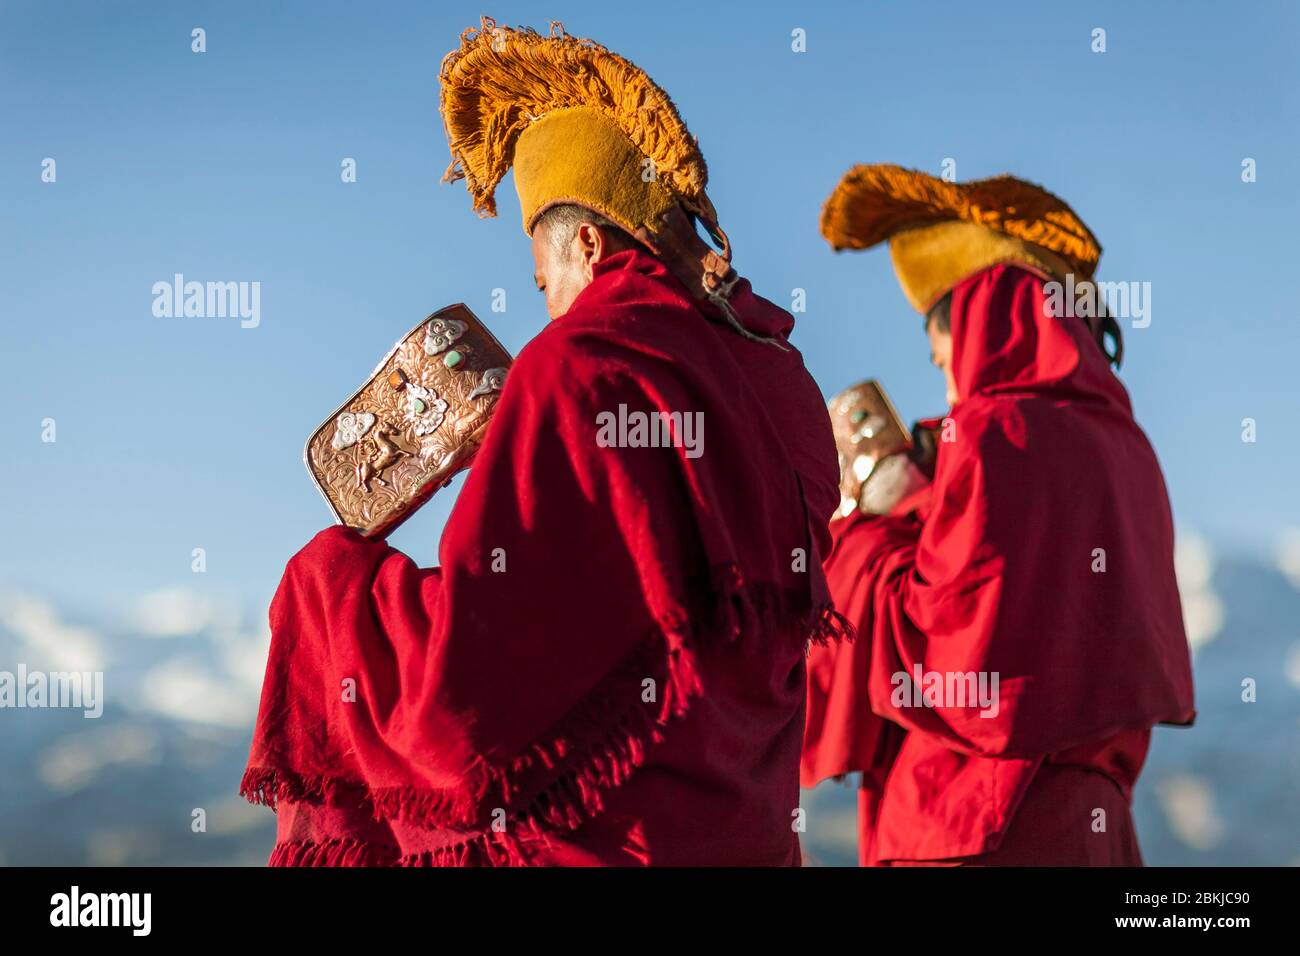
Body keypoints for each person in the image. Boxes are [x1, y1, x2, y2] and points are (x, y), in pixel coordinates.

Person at [239, 18, 844, 866]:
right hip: (751, 840)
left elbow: (472, 687)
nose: (549, 309)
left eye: (543, 282)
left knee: (324, 577)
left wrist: (331, 587)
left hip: (608, 847)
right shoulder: (782, 384)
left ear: (588, 246)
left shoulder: (576, 369)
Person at [802, 164, 1196, 865]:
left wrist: (870, 521)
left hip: (977, 825)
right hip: (1096, 833)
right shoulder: (1129, 448)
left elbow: (943, 646)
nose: (948, 381)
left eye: (942, 357)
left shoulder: (993, 435)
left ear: (983, 320)